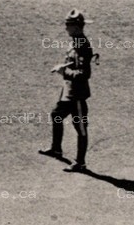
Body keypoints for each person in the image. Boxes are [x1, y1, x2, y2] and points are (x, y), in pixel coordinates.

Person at [39, 9, 95, 173]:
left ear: (76, 27)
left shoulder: (83, 46)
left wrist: (65, 72)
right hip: (68, 92)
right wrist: (63, 66)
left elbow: (85, 74)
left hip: (77, 94)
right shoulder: (74, 41)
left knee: (81, 128)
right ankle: (56, 149)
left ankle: (81, 163)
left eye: (68, 25)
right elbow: (73, 62)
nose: (65, 28)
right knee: (56, 115)